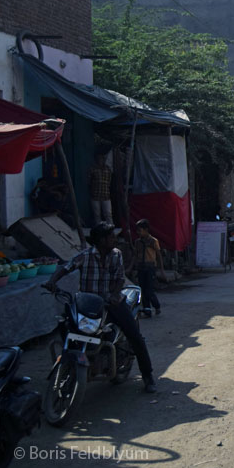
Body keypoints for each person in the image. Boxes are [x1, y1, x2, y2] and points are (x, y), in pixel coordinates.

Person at [47, 222, 157, 393]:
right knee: (66, 323)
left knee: (135, 336)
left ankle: (148, 376)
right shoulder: (86, 255)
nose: (114, 239)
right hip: (88, 303)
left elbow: (120, 278)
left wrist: (113, 295)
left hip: (112, 303)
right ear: (101, 240)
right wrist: (51, 282)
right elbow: (66, 268)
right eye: (111, 236)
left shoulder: (116, 254)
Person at [129, 219, 166, 318]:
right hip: (141, 268)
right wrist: (130, 268)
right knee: (143, 289)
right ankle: (150, 308)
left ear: (146, 230)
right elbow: (135, 256)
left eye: (140, 230)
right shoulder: (137, 242)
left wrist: (161, 270)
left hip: (150, 268)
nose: (138, 232)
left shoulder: (153, 241)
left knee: (149, 289)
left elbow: (158, 256)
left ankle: (152, 307)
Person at [89, 153, 113, 226]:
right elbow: (89, 182)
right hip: (95, 196)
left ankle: (110, 230)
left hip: (106, 196)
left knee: (108, 214)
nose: (100, 160)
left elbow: (109, 181)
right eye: (98, 159)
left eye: (102, 159)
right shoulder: (92, 169)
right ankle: (99, 231)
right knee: (97, 215)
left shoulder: (108, 169)